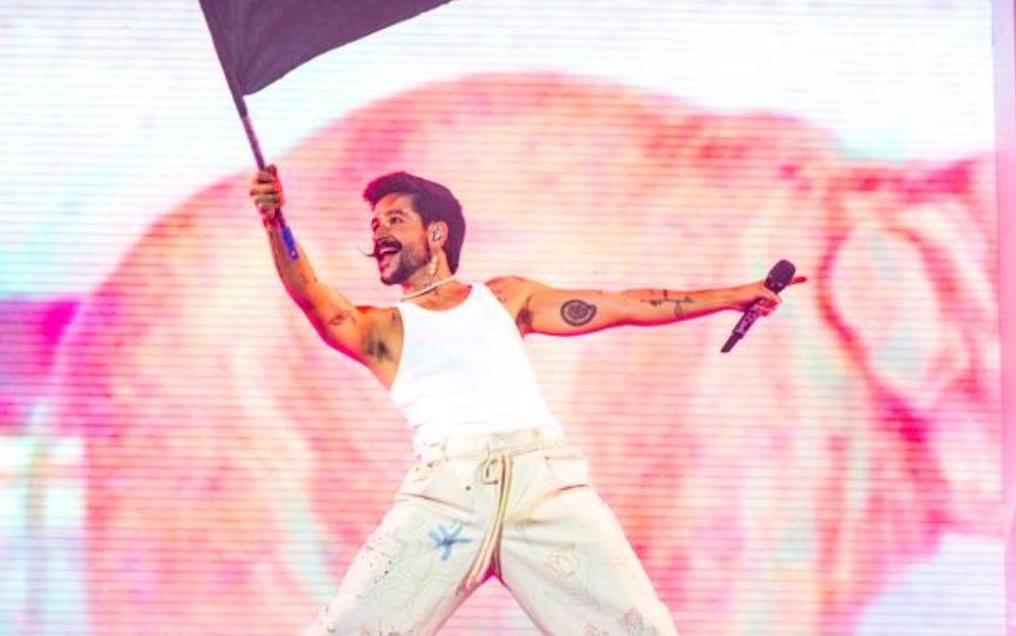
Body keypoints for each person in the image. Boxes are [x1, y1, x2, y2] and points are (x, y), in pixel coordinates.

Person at [249, 166, 804, 636]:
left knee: (642, 629)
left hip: (544, 489)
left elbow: (623, 304)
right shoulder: (382, 328)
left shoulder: (505, 298)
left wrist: (732, 296)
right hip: (446, 498)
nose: (379, 233)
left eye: (394, 220)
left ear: (436, 233)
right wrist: (276, 221)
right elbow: (311, 295)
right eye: (374, 225)